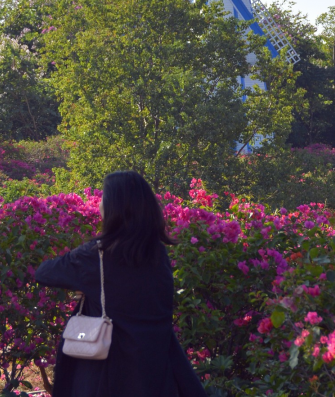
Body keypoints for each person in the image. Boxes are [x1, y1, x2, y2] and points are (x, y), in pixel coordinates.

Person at [34, 170, 207, 397]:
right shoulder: (157, 253)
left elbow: (44, 272)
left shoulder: (97, 255)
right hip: (156, 372)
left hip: (108, 374)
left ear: (114, 207)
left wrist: (84, 283)